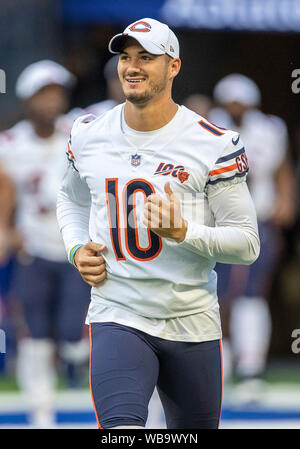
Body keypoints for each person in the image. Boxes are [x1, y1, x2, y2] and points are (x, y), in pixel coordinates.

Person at [57, 18, 260, 429]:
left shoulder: (213, 142)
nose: (132, 66)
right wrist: (77, 248)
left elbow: (247, 243)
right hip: (118, 310)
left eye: (146, 57)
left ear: (174, 66)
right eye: (126, 57)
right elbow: (71, 199)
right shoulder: (88, 133)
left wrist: (184, 232)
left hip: (191, 316)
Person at [0, 60, 91, 427]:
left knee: (73, 335)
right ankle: (42, 412)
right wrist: (6, 230)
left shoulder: (80, 133)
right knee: (35, 335)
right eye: (44, 94)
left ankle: (75, 359)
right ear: (28, 99)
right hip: (33, 250)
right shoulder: (10, 144)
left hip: (75, 250)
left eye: (57, 93)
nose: (52, 102)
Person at [210, 74, 296, 395]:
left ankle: (250, 368)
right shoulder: (207, 124)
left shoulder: (269, 129)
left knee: (252, 295)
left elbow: (281, 168)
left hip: (257, 221)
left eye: (241, 102)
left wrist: (286, 202)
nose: (236, 108)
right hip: (218, 222)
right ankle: (222, 363)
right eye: (231, 101)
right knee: (215, 295)